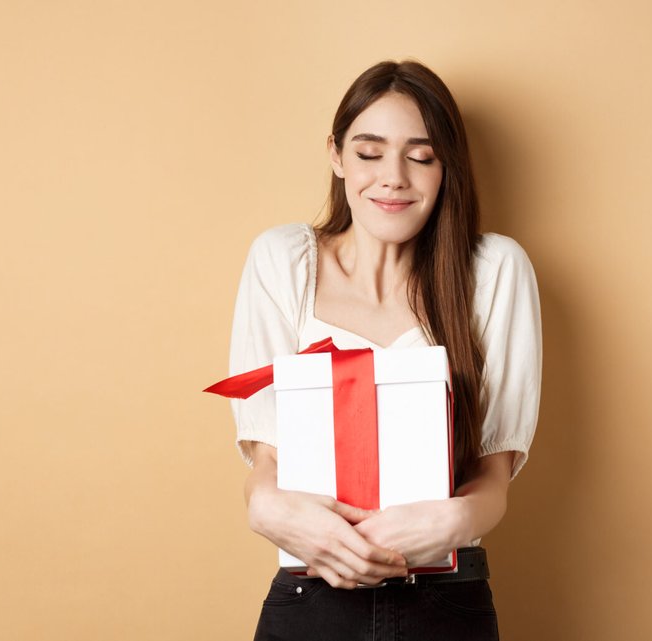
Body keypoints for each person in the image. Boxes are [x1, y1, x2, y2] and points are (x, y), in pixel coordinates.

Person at [221, 60, 543, 640]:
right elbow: (267, 463)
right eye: (369, 153)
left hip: (446, 599)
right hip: (312, 594)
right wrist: (265, 508)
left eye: (421, 157)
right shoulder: (283, 261)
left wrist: (451, 520)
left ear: (447, 168)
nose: (393, 178)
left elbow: (494, 475)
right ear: (337, 156)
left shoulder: (495, 271)